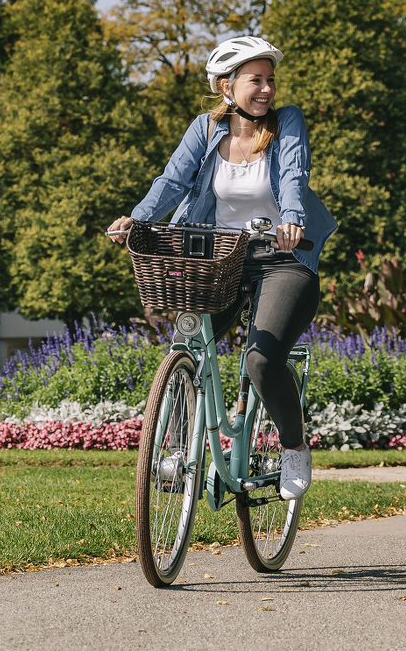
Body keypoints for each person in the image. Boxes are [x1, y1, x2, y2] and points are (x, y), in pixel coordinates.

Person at [108, 35, 338, 503]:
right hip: (219, 258)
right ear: (226, 87)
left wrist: (292, 219)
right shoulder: (205, 129)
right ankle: (178, 448)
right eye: (257, 80)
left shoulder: (286, 122)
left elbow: (294, 173)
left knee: (260, 359)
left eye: (271, 80)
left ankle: (294, 447)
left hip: (282, 257)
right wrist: (138, 218)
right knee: (189, 342)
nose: (268, 89)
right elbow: (172, 180)